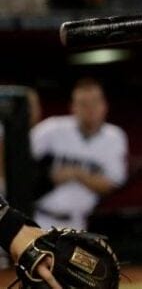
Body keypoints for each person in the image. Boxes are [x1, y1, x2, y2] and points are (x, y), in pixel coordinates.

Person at [31, 78, 127, 231]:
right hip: (39, 217)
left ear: (104, 106)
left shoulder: (114, 136)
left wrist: (77, 174)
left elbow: (112, 184)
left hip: (78, 222)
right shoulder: (51, 129)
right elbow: (16, 160)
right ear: (73, 107)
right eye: (83, 104)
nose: (90, 109)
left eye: (95, 102)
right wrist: (47, 177)